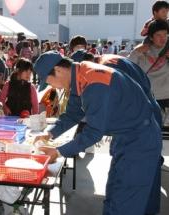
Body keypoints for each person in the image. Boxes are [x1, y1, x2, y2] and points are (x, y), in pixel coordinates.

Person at [33, 51, 162, 215]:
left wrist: (58, 152)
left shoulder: (95, 83)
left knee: (126, 199)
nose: (52, 87)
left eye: (49, 82)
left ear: (58, 70)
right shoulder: (79, 75)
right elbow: (73, 114)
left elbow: (93, 132)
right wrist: (49, 134)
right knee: (115, 191)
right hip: (125, 135)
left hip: (140, 139)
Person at [129, 20, 169, 111]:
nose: (163, 38)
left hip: (166, 97)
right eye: (158, 35)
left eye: (165, 34)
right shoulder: (141, 50)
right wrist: (136, 53)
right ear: (151, 37)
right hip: (147, 97)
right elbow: (128, 69)